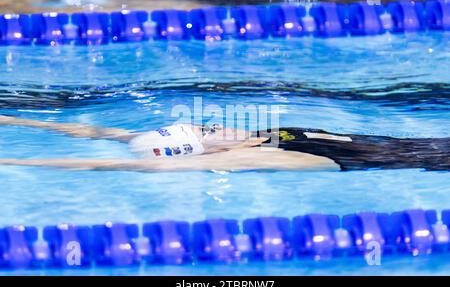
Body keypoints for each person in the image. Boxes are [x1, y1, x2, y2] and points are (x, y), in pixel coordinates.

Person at [0, 115, 449, 172]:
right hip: (438, 158)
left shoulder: (271, 134)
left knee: (130, 140)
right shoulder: (276, 153)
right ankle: (13, 157)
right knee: (151, 162)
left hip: (429, 144)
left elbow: (108, 133)